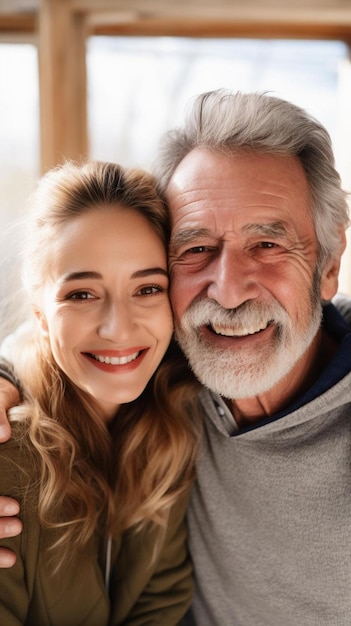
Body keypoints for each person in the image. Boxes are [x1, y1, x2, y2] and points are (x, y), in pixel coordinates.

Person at [0, 89, 351, 625]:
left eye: (267, 245)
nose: (228, 292)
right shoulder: (178, 367)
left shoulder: (176, 396)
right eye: (195, 249)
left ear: (328, 267)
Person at [0, 159, 199, 625]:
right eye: (82, 294)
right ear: (40, 314)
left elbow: (162, 599)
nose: (118, 327)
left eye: (147, 288)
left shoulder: (170, 430)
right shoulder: (12, 456)